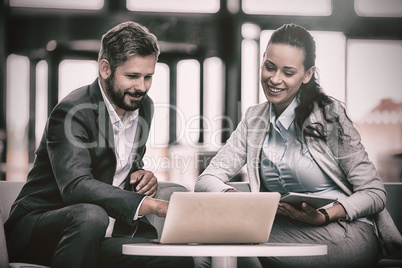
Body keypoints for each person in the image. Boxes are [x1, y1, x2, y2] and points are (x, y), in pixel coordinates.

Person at [195, 23, 402, 268]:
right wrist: (236, 200)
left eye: (288, 72)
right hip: (284, 228)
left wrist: (322, 215)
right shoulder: (254, 119)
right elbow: (205, 180)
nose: (275, 79)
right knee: (205, 237)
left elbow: (374, 193)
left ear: (307, 74)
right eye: (269, 67)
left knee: (227, 239)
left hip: (346, 231)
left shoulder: (329, 116)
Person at [5, 21, 194, 268]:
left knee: (174, 261)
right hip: (41, 228)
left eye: (149, 77)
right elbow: (76, 186)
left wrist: (142, 175)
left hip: (103, 232)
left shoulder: (143, 107)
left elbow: (125, 165)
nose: (142, 87)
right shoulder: (72, 111)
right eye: (132, 76)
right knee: (90, 215)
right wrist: (147, 205)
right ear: (105, 69)